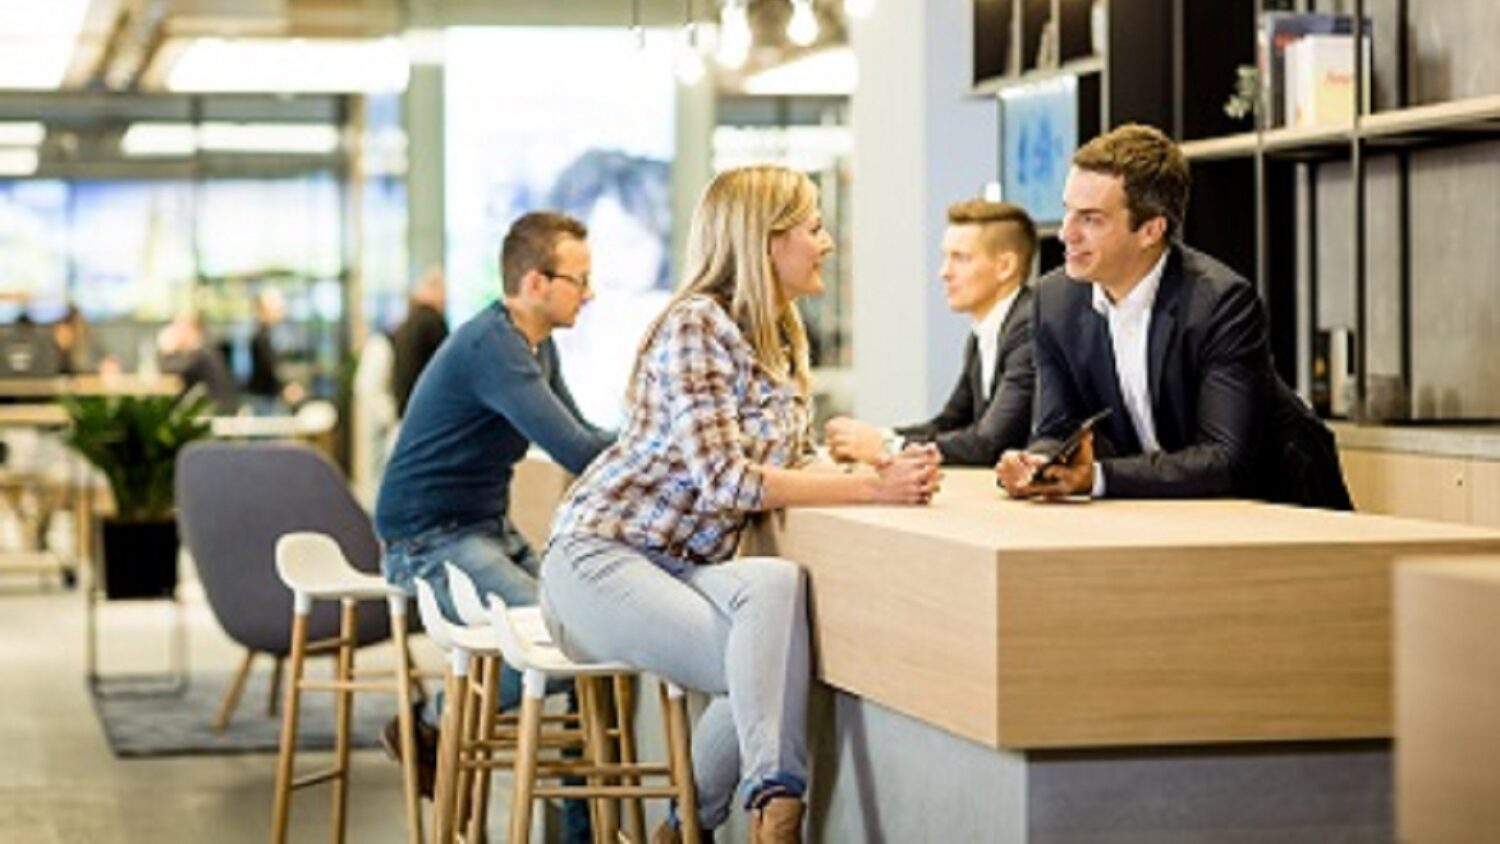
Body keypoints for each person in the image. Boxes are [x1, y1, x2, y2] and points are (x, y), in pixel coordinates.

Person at [540, 165, 943, 844]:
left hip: (684, 566)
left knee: (774, 588)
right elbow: (728, 480)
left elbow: (786, 462)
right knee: (760, 666)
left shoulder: (780, 333)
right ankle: (776, 807)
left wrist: (875, 464)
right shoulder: (696, 324)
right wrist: (872, 489)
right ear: (767, 240)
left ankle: (689, 829)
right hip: (599, 557)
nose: (828, 243)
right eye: (815, 227)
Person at [374, 211, 613, 830]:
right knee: (561, 640)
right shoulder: (494, 349)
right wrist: (667, 442)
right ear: (536, 283)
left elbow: (584, 434)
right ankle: (428, 722)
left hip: (485, 528)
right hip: (426, 538)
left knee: (586, 634)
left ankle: (579, 835)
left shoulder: (536, 345)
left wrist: (653, 442)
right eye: (580, 280)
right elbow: (577, 450)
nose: (590, 294)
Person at [996, 124, 1351, 508]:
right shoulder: (1054, 302)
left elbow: (1225, 459)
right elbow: (1056, 427)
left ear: (1150, 230)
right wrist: (1039, 463)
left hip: (1279, 505)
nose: (1067, 233)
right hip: (1167, 505)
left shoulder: (1220, 303)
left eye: (1091, 219)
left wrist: (1098, 477)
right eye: (1068, 211)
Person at [824, 200, 1037, 467]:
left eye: (960, 258)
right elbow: (949, 422)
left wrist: (887, 447)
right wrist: (878, 438)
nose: (944, 272)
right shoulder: (983, 334)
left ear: (1005, 266)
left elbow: (991, 444)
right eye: (946, 257)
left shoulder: (1030, 328)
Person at [391, 266, 449, 418]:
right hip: (427, 411)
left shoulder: (407, 323)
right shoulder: (432, 323)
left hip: (406, 411)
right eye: (443, 290)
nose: (446, 298)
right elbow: (446, 371)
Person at [157, 311, 238, 414]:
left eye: (178, 328)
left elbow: (169, 370)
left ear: (191, 329)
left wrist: (165, 351)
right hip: (215, 411)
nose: (174, 333)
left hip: (216, 414)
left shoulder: (201, 354)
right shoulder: (203, 350)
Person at [245, 288, 304, 413]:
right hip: (264, 398)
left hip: (268, 397)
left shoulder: (270, 333)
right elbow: (269, 368)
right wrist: (285, 388)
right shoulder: (260, 336)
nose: (280, 313)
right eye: (276, 309)